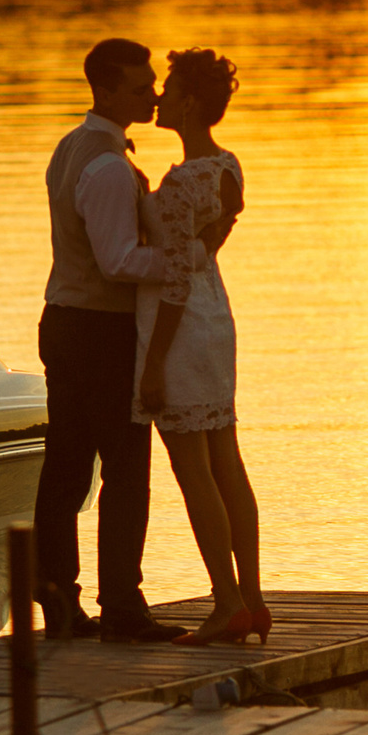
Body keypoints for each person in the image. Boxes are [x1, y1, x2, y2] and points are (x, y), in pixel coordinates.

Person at [34, 39, 189, 643]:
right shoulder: (104, 166)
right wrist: (181, 259)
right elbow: (118, 261)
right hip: (99, 330)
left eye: (152, 84)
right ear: (105, 90)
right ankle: (122, 607)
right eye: (138, 86)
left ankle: (61, 606)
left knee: (67, 470)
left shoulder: (71, 148)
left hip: (64, 320)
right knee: (124, 470)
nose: (150, 94)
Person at [134, 47, 266, 646]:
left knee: (194, 471)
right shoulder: (227, 166)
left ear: (188, 101)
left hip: (183, 323)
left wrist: (155, 361)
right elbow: (219, 234)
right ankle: (253, 598)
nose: (159, 94)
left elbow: (178, 276)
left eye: (169, 85)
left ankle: (227, 602)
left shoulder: (182, 181)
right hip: (218, 316)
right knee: (227, 462)